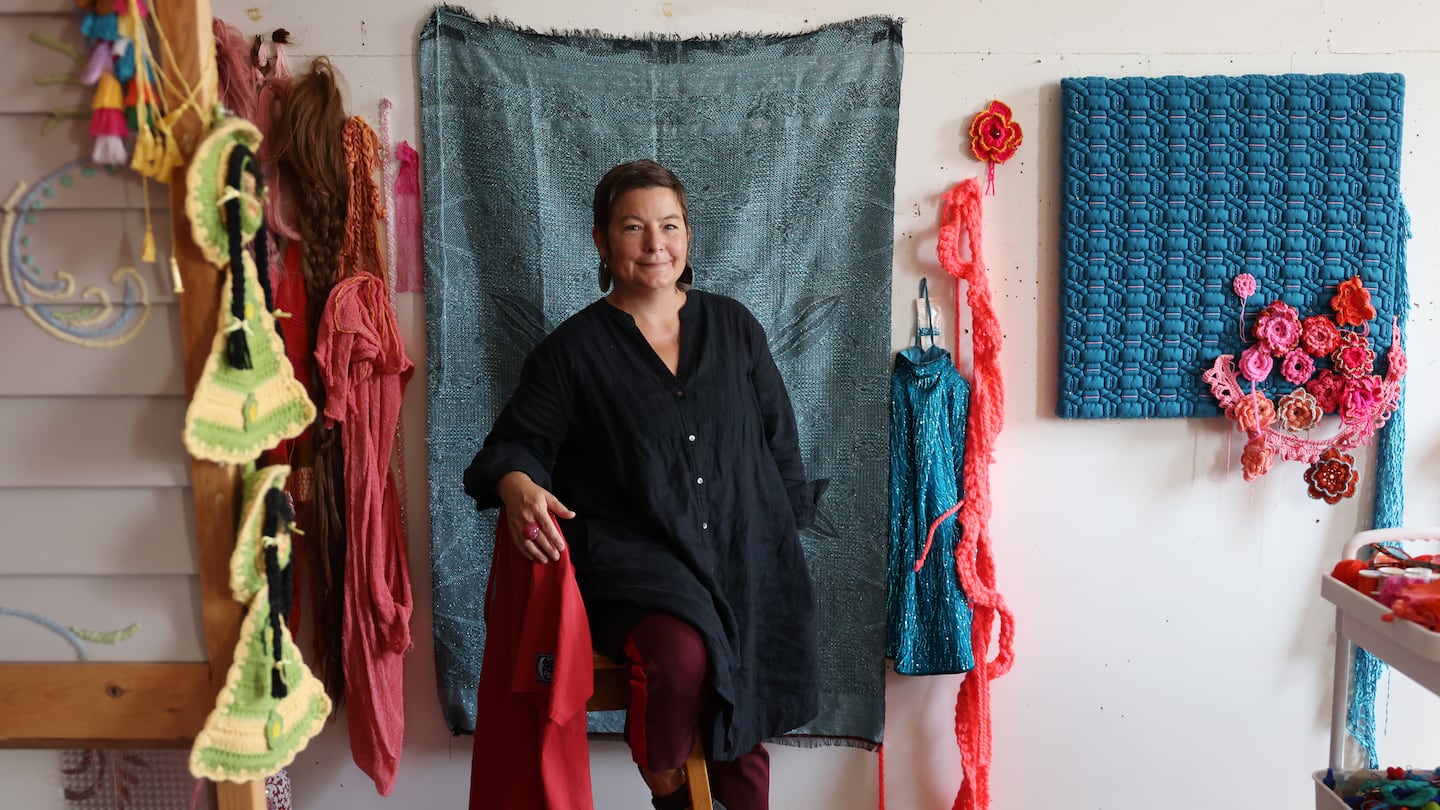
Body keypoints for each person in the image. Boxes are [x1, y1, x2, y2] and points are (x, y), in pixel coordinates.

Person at [464, 159, 825, 810]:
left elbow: (779, 441)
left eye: (669, 226)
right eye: (633, 227)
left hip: (741, 550)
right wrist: (517, 485)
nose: (655, 244)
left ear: (688, 236)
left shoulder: (735, 327)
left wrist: (772, 541)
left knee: (741, 724)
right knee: (686, 661)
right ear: (602, 242)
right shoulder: (570, 352)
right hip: (637, 560)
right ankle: (666, 780)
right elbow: (513, 448)